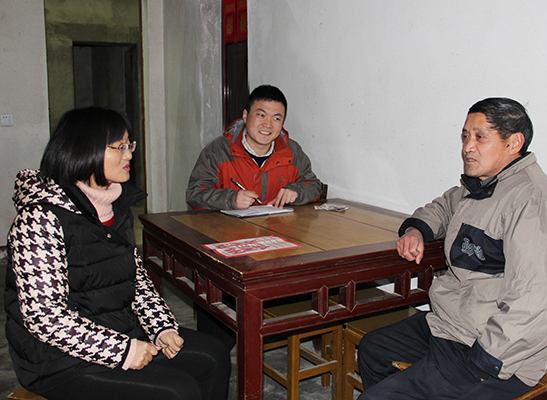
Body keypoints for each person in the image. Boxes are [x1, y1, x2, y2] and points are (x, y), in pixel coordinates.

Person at [357, 98, 547, 400]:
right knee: (373, 349)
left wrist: (483, 360)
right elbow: (443, 206)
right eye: (465, 136)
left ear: (514, 143)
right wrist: (416, 230)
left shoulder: (535, 204)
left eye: (480, 137)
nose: (468, 147)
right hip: (452, 326)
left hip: (494, 354)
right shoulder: (484, 186)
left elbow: (535, 304)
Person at [4, 107, 230, 400]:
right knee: (177, 390)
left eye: (129, 145)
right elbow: (45, 317)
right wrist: (123, 351)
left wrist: (161, 328)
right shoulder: (39, 219)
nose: (129, 155)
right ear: (84, 150)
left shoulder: (114, 207)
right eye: (119, 147)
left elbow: (137, 282)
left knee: (214, 355)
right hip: (58, 359)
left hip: (119, 330)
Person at [186, 84, 322, 210]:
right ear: (245, 116)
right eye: (261, 115)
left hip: (277, 226)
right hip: (228, 227)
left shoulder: (291, 151)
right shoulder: (218, 150)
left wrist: (297, 191)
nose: (268, 125)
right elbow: (195, 194)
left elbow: (314, 186)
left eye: (276, 119)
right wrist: (230, 199)